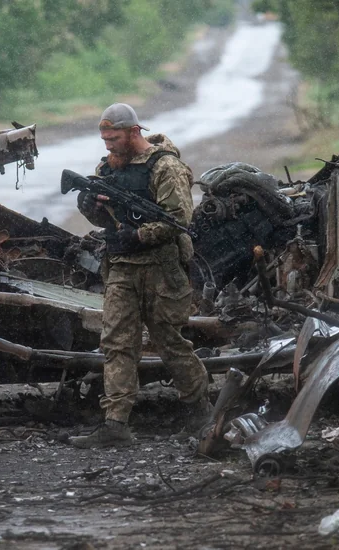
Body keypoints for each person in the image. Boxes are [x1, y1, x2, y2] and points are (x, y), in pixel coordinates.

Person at [69, 103, 212, 449]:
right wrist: (90, 203)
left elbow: (178, 219)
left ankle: (202, 412)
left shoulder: (165, 166)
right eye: (104, 139)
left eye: (114, 138)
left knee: (169, 342)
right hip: (122, 269)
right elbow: (103, 219)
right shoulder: (108, 168)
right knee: (117, 344)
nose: (108, 146)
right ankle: (115, 423)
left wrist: (135, 236)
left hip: (161, 269)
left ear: (134, 132)